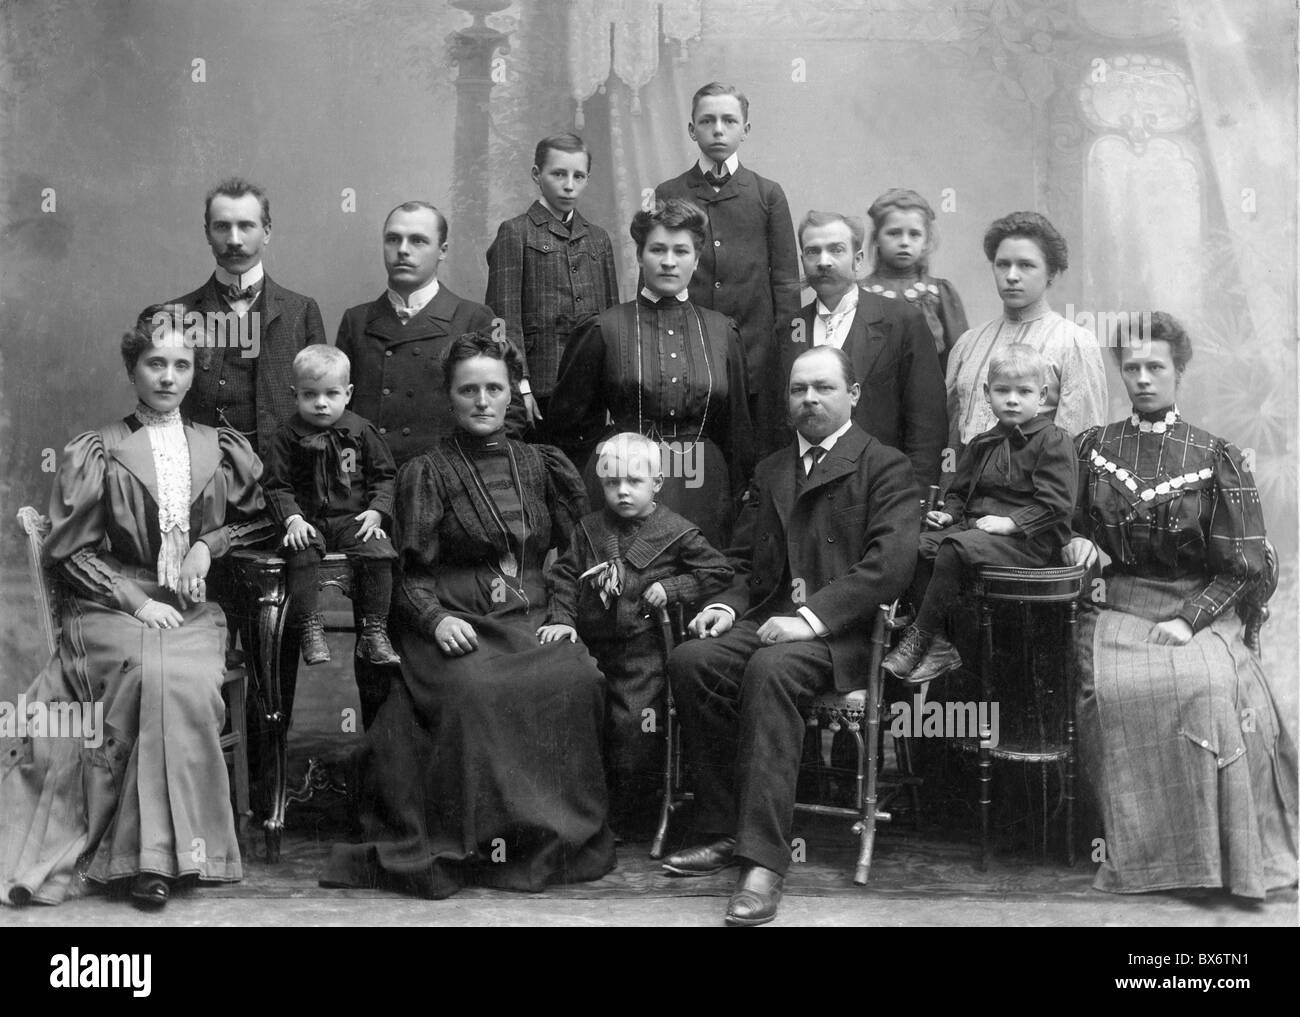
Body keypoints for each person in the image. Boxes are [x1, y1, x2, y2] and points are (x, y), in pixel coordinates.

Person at [320, 333, 616, 899]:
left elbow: (574, 555)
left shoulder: (542, 463)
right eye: (468, 390)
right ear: (449, 396)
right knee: (476, 689)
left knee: (577, 676)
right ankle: (487, 839)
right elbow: (406, 575)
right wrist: (434, 621)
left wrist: (563, 613)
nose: (482, 401)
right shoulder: (426, 473)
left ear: (511, 395)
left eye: (494, 388)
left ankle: (555, 834)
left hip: (530, 616)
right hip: (456, 619)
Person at [1, 306, 275, 909]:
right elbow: (66, 552)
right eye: (156, 364)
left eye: (182, 365)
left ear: (195, 371)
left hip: (193, 609)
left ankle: (164, 857)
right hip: (107, 604)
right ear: (133, 369)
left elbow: (263, 523)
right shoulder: (99, 447)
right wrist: (131, 599)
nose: (169, 377)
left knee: (178, 679)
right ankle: (149, 863)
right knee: (147, 672)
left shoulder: (220, 447)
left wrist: (211, 543)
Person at [662, 345, 918, 927]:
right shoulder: (772, 468)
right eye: (800, 389)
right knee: (691, 659)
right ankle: (724, 828)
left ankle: (764, 862)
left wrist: (808, 620)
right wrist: (726, 608)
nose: (810, 399)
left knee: (770, 669)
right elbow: (742, 562)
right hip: (768, 620)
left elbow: (890, 566)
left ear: (853, 395)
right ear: (787, 401)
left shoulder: (885, 465)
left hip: (841, 635)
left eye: (824, 387)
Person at [1063, 313, 1297, 899]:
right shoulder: (1091, 449)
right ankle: (1149, 861)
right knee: (1114, 693)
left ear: (1179, 373)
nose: (1142, 378)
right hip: (1114, 607)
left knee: (1212, 692)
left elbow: (1245, 565)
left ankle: (1216, 864)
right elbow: (1056, 520)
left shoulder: (1217, 455)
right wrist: (1074, 539)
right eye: (1132, 367)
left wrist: (1189, 620)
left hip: (1198, 607)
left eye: (1155, 367)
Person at [542, 433, 733, 835]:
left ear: (658, 483)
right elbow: (562, 574)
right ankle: (583, 813)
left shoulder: (678, 531)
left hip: (643, 656)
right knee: (578, 718)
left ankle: (632, 816)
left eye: (634, 482)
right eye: (612, 484)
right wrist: (562, 619)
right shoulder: (588, 530)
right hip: (591, 651)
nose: (623, 492)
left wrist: (673, 588)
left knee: (634, 729)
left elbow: (718, 571)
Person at [550, 198, 754, 550]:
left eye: (681, 251)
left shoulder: (722, 333)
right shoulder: (605, 329)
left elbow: (737, 432)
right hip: (624, 487)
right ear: (640, 255)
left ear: (697, 258)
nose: (669, 261)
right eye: (657, 249)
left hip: (704, 487)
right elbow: (568, 430)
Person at [883, 344, 1076, 685]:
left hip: (1029, 543)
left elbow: (1058, 504)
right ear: (988, 393)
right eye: (1002, 390)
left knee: (954, 548)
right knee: (912, 545)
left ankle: (919, 638)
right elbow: (958, 491)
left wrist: (1011, 522)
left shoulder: (1053, 441)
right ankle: (940, 642)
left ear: (1042, 394)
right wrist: (949, 514)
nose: (1012, 400)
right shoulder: (982, 442)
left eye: (1024, 391)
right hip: (975, 532)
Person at [655, 82, 800, 456]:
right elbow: (656, 278)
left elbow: (785, 283)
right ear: (692, 130)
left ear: (745, 130)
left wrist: (784, 361)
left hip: (755, 357)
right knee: (696, 458)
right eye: (707, 120)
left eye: (729, 120)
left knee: (755, 457)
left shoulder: (767, 194)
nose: (718, 129)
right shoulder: (671, 192)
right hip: (689, 352)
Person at [336, 200, 525, 468]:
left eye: (418, 241)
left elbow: (511, 409)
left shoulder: (477, 317)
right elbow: (338, 413)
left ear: (442, 250)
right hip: (373, 484)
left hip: (450, 483)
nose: (402, 250)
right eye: (393, 239)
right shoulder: (355, 321)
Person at [783, 210, 946, 492]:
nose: (824, 261)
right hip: (805, 490)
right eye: (813, 252)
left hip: (879, 490)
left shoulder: (902, 321)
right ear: (803, 261)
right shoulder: (790, 328)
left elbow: (927, 422)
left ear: (857, 259)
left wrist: (914, 495)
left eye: (836, 250)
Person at [167, 177, 327, 457]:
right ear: (207, 233)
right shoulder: (176, 315)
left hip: (282, 475)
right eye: (222, 227)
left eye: (246, 226)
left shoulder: (302, 311)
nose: (234, 240)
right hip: (201, 472)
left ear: (266, 232)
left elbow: (324, 402)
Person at [260, 345, 399, 668]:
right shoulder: (286, 436)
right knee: (302, 549)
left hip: (353, 520)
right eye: (310, 395)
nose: (321, 403)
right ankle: (310, 625)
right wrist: (292, 519)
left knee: (380, 551)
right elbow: (276, 485)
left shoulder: (362, 432)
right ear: (295, 394)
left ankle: (374, 631)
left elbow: (385, 476)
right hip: (309, 521)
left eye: (331, 394)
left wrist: (377, 510)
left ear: (348, 393)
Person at [484, 133, 620, 442]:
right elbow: (501, 322)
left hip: (592, 389)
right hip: (540, 390)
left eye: (578, 176)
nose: (569, 184)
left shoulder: (598, 239)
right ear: (537, 174)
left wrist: (614, 390)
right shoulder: (515, 232)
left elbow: (613, 323)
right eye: (558, 174)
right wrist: (521, 387)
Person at [945, 211, 1107, 452]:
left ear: (1051, 272)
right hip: (964, 484)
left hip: (1033, 485)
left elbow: (1081, 444)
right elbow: (951, 429)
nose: (1011, 276)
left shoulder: (1074, 342)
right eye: (1003, 265)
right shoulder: (968, 343)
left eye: (1026, 265)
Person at [862, 188, 969, 376]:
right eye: (894, 233)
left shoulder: (939, 293)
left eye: (914, 234)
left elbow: (960, 359)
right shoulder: (860, 292)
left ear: (926, 240)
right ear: (877, 238)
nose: (904, 242)